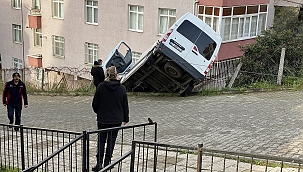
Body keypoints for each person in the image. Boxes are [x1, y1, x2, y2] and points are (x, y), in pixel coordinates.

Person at [92, 66, 129, 171]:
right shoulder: (122, 88)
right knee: (111, 140)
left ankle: (99, 164)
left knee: (101, 140)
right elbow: (125, 105)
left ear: (106, 75)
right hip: (116, 120)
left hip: (103, 119)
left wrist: (99, 112)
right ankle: (107, 163)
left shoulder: (100, 87)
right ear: (116, 75)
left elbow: (95, 104)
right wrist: (125, 118)